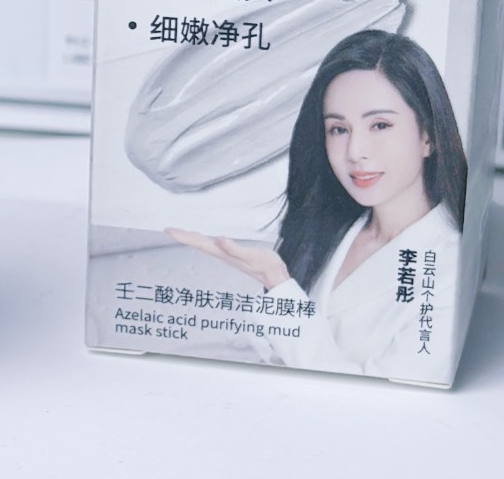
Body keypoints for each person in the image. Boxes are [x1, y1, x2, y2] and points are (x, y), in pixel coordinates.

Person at [165, 30, 467, 378]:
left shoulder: (450, 268)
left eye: (380, 125)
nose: (355, 152)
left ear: (428, 136)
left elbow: (373, 394)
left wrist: (278, 284)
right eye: (338, 129)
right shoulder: (330, 230)